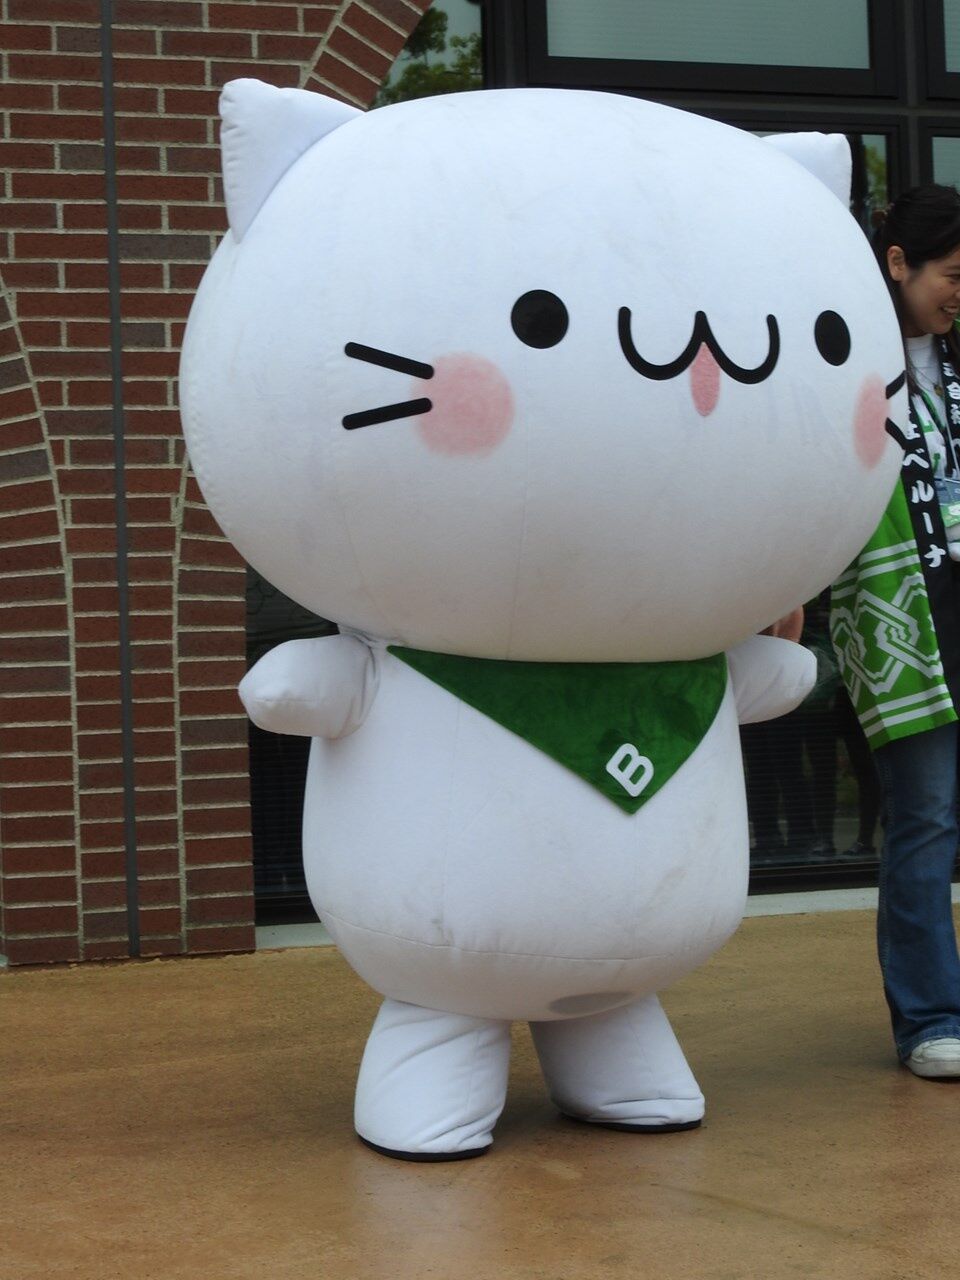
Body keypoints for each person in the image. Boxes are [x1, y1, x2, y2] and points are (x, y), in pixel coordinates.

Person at [831, 184, 960, 1078]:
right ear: (897, 263)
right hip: (902, 615)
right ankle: (931, 1019)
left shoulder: (955, 363)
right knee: (925, 816)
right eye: (952, 275)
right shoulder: (846, 359)